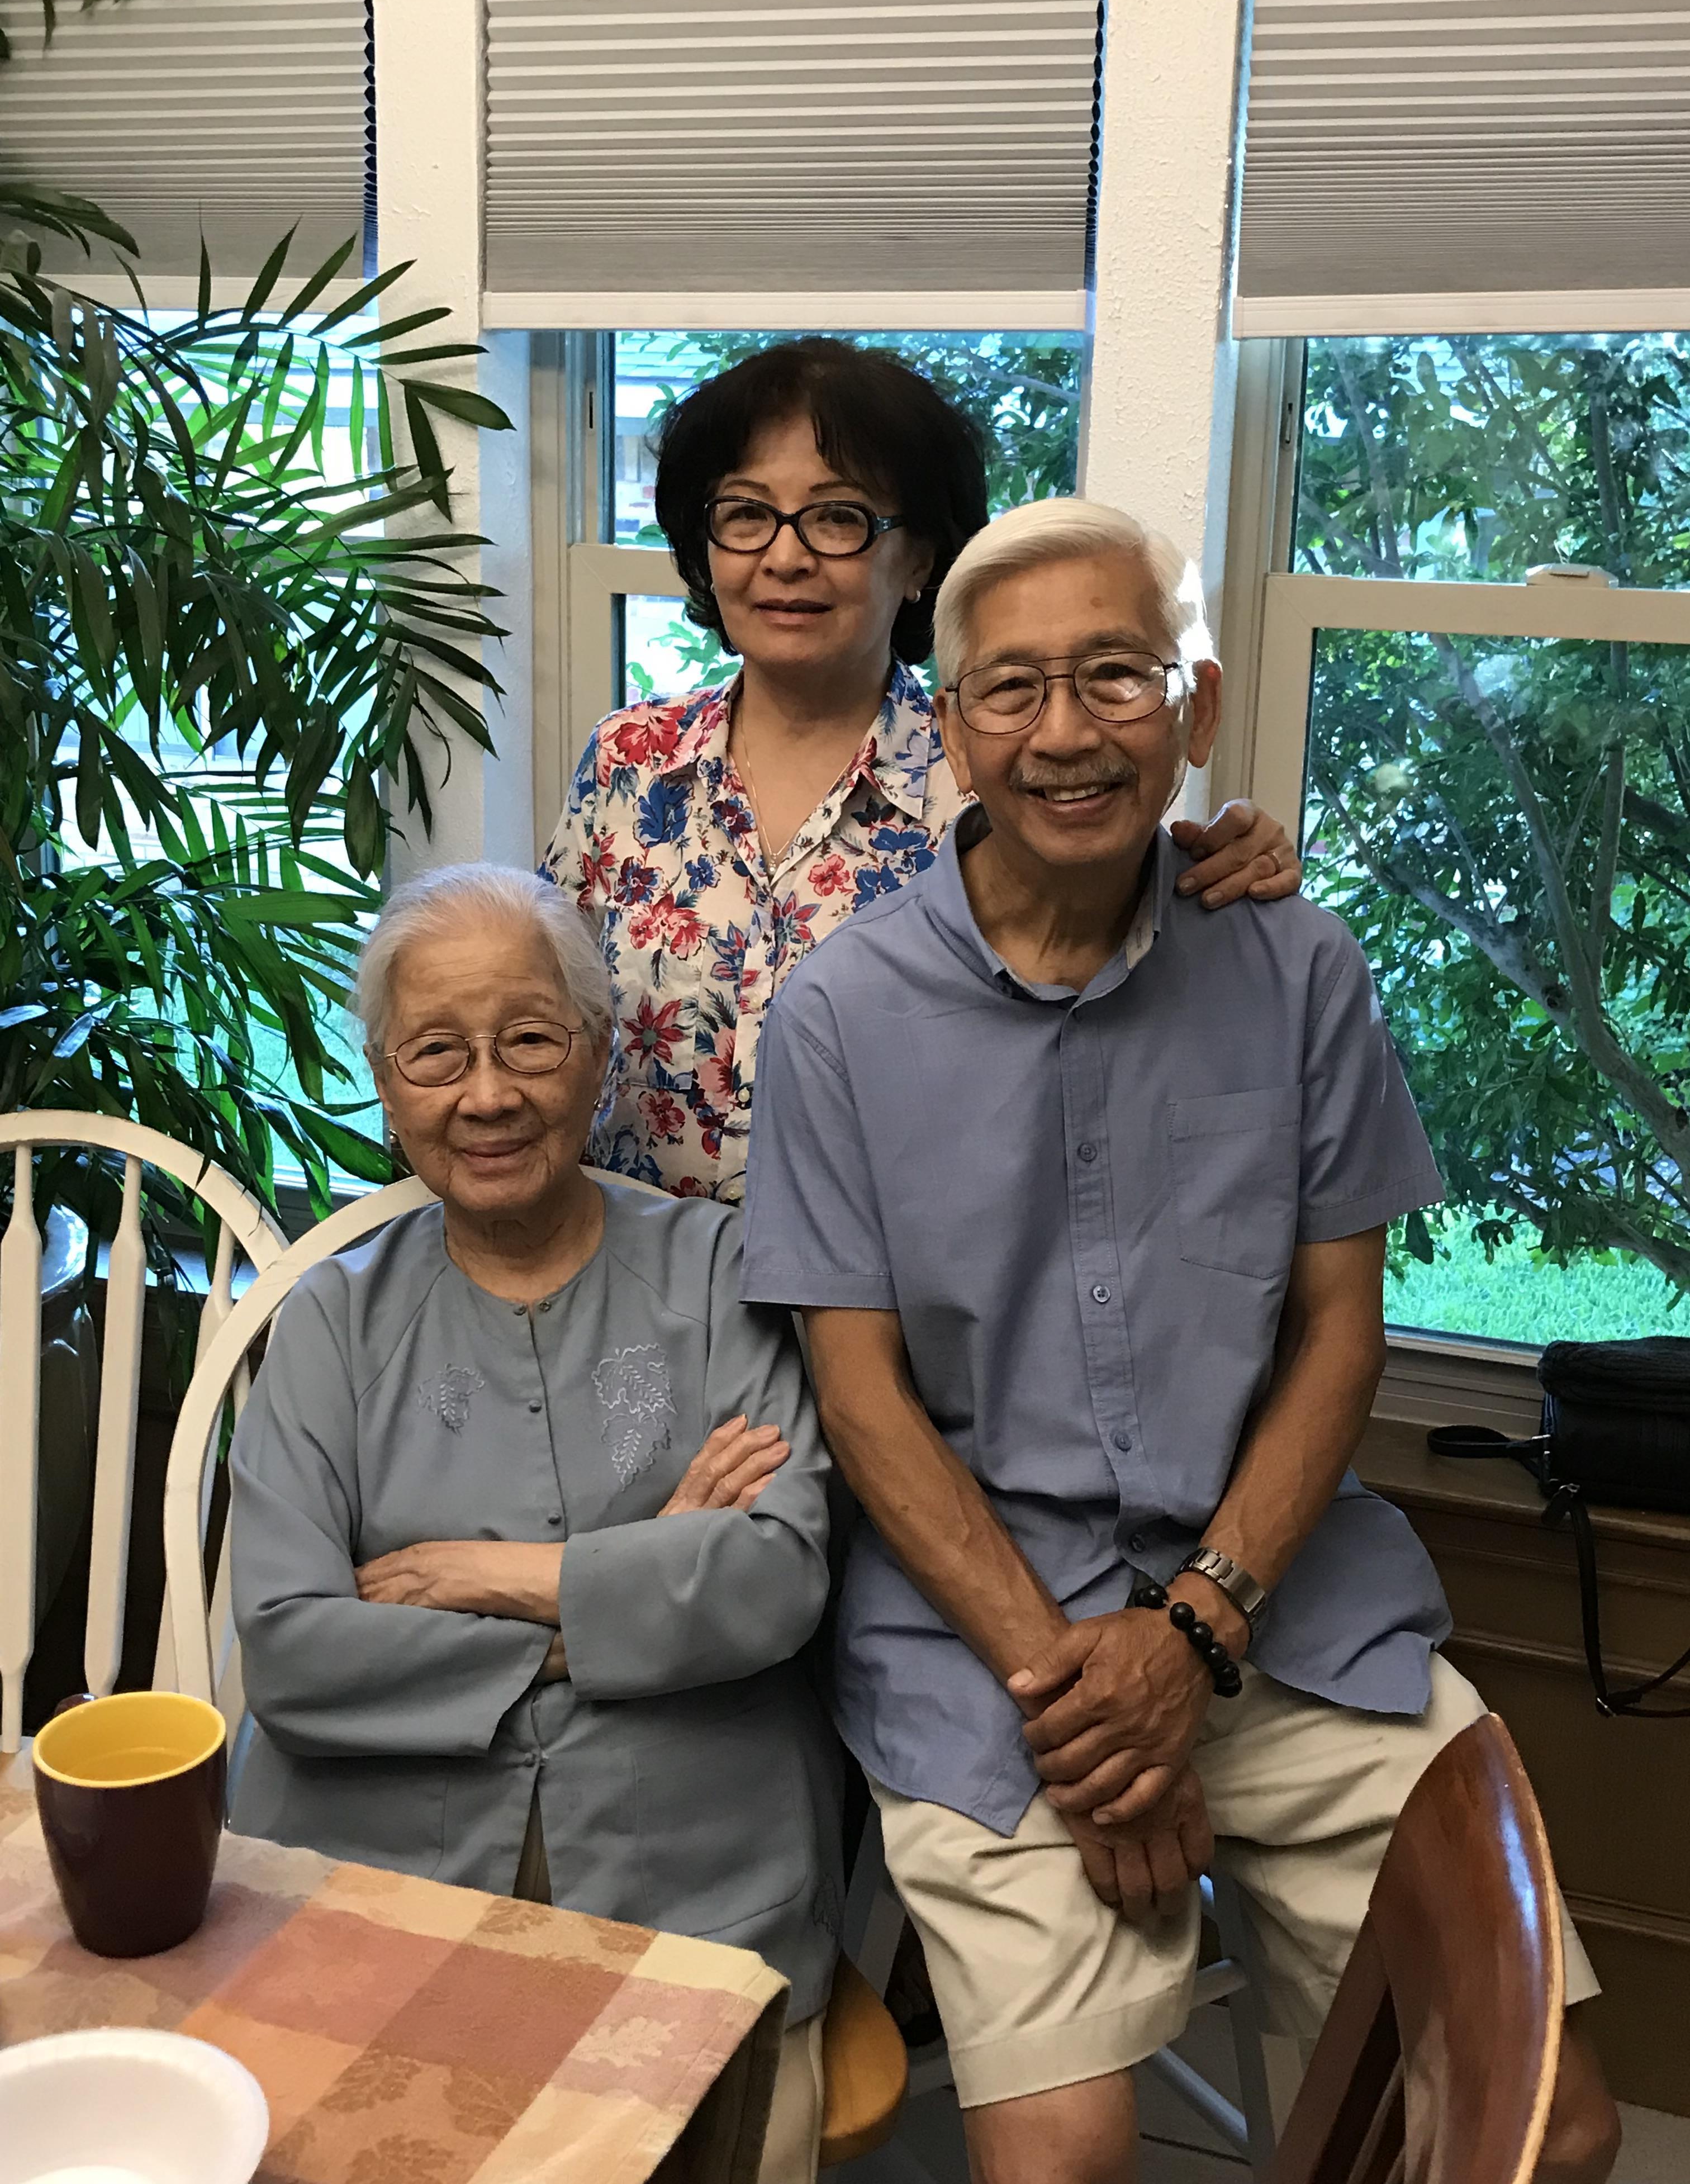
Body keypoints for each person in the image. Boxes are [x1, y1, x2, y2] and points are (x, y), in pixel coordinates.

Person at [740, 498, 1621, 2184]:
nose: (1065, 731)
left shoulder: (1293, 964)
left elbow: (1340, 1337)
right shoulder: (841, 1021)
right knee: (1063, 2157)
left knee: (1550, 2127)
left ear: (1194, 711)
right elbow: (863, 1403)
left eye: (1115, 676)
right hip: (991, 1641)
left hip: (1287, 1615)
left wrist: (1192, 1634)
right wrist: (1087, 1702)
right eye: (1011, 690)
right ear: (951, 726)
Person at [229, 865, 842, 2184]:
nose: (488, 1094)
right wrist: (624, 1595)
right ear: (390, 1090)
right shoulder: (334, 1322)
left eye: (529, 1041)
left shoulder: (719, 1271)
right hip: (374, 1884)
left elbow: (777, 1576)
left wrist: (494, 1578)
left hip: (700, 1879)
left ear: (601, 1057)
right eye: (438, 1053)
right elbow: (289, 1650)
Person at [540, 336, 1302, 1201]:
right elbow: (544, 1009)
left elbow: (1122, 975)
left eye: (839, 518)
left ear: (923, 562)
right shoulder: (628, 761)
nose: (785, 557)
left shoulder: (1002, 770)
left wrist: (1236, 857)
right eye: (746, 513)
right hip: (640, 1296)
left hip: (897, 1311)